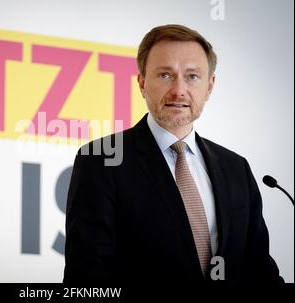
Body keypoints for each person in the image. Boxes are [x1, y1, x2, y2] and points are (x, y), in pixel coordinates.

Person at [63, 24, 283, 284]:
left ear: (210, 86)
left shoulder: (236, 168)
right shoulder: (101, 160)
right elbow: (88, 277)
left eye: (192, 76)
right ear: (142, 83)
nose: (179, 90)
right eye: (165, 75)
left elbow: (259, 270)